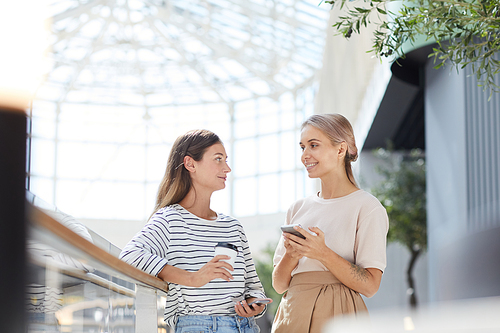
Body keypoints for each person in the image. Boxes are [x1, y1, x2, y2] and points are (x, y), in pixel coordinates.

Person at [119, 129, 267, 333]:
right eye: (218, 159)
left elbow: (254, 287)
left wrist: (254, 305)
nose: (227, 168)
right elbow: (129, 255)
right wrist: (191, 278)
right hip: (198, 327)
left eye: (225, 159)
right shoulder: (169, 219)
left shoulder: (233, 226)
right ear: (190, 164)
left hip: (246, 328)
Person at [271, 114, 389, 333]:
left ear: (340, 149)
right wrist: (291, 255)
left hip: (338, 315)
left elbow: (371, 285)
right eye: (302, 147)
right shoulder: (297, 209)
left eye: (313, 145)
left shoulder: (367, 207)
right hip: (291, 314)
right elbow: (279, 285)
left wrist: (322, 253)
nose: (305, 155)